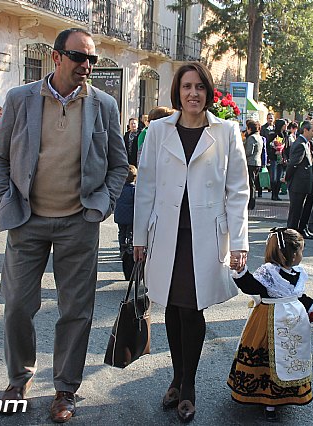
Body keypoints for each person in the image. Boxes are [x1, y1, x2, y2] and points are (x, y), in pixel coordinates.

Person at [0, 28, 128, 422]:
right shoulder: (20, 99)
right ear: (56, 58)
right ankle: (18, 379)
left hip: (78, 222)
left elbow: (119, 164)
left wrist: (101, 205)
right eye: (79, 57)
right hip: (27, 220)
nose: (86, 66)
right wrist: (4, 200)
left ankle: (66, 389)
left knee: (76, 310)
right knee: (16, 304)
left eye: (92, 60)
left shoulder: (103, 105)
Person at [133, 62, 249, 423]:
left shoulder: (226, 131)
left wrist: (240, 242)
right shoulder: (158, 131)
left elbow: (238, 190)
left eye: (199, 86)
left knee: (192, 307)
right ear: (177, 92)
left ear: (208, 91)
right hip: (166, 232)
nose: (193, 93)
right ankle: (177, 377)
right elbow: (146, 186)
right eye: (186, 86)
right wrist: (139, 237)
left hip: (206, 234)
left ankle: (187, 385)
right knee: (170, 304)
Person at [228, 228, 313, 422]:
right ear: (293, 254)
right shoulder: (269, 273)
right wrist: (240, 272)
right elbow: (252, 286)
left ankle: (285, 393)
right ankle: (269, 401)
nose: (302, 255)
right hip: (268, 323)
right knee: (270, 359)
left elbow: (297, 295)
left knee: (289, 358)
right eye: (301, 251)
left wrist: (312, 305)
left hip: (292, 326)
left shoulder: (297, 273)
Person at [285, 120, 313, 240]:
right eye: (312, 130)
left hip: (303, 184)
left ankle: (296, 233)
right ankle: (290, 237)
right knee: (295, 212)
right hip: (298, 184)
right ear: (305, 130)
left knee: (299, 211)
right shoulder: (300, 144)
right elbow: (293, 164)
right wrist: (287, 178)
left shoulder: (306, 143)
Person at [113, 164, 137, 280]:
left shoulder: (119, 189)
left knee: (121, 232)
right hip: (131, 217)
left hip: (120, 216)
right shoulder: (134, 190)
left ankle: (121, 247)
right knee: (130, 233)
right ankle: (129, 248)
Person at [244, 119, 263, 210]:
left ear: (250, 128)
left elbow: (249, 151)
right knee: (253, 183)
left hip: (250, 162)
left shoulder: (252, 138)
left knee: (250, 184)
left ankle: (250, 203)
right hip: (257, 162)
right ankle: (252, 201)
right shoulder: (259, 137)